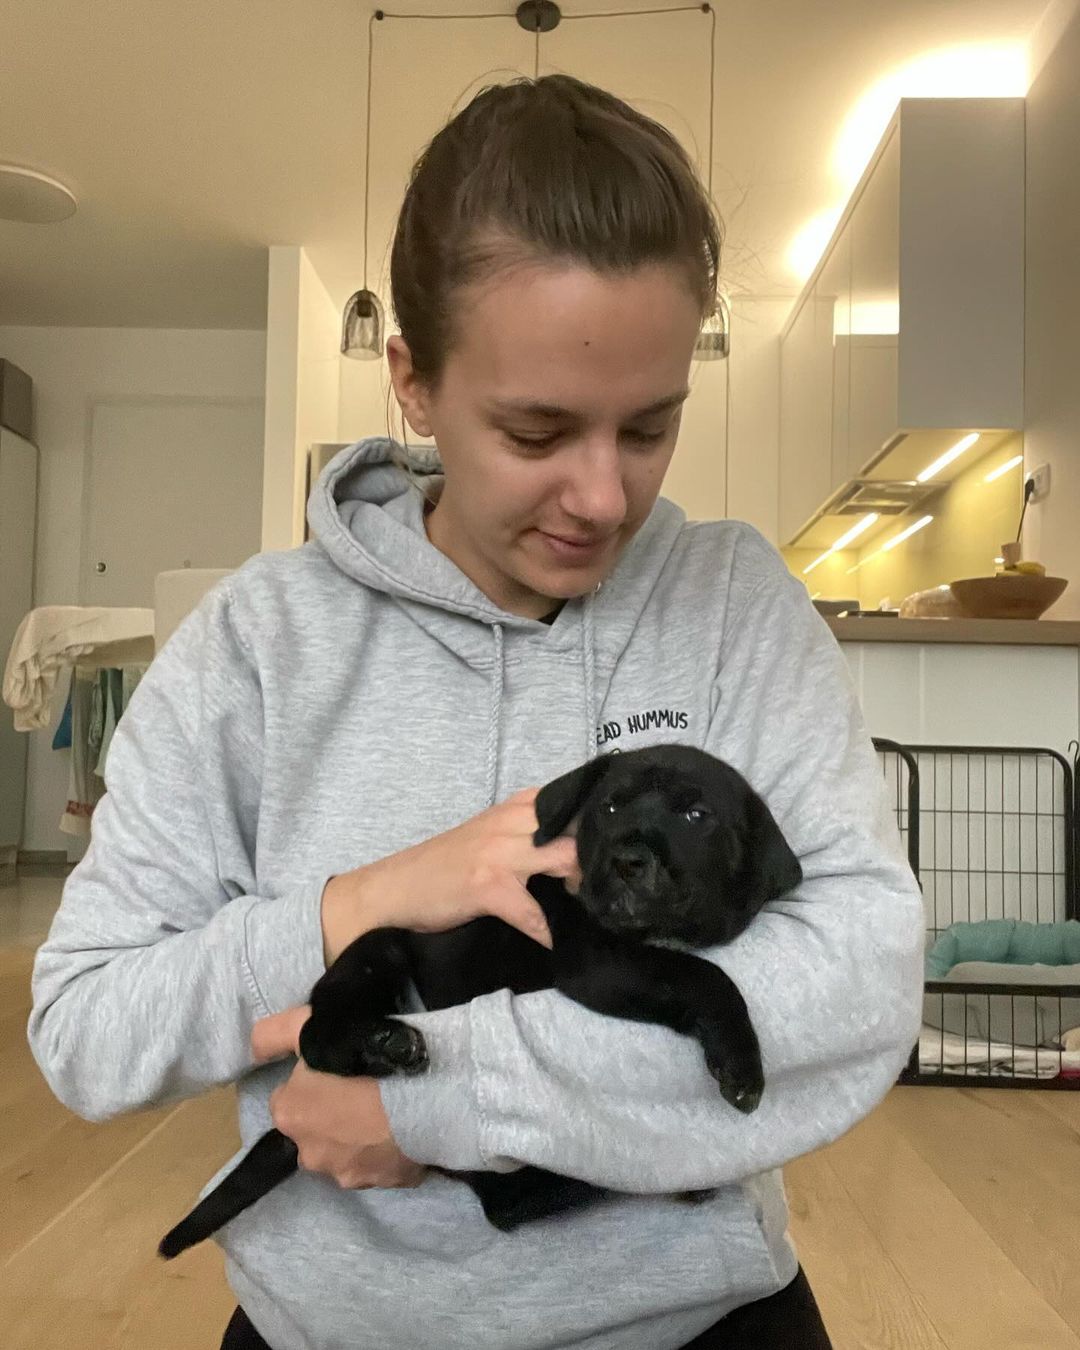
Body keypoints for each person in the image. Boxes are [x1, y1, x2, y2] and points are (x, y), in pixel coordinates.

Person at [28, 75, 923, 1350]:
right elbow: (86, 1027)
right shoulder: (258, 646)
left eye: (651, 426)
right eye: (536, 430)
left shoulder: (734, 603)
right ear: (412, 381)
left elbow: (863, 975)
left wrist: (442, 1100)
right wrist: (365, 902)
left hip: (696, 1318)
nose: (604, 497)